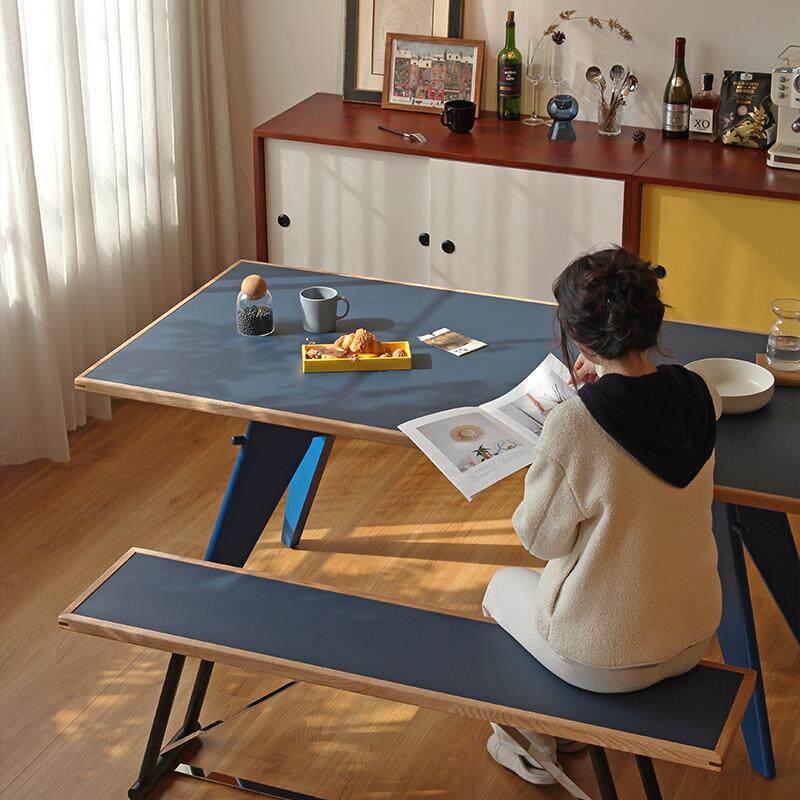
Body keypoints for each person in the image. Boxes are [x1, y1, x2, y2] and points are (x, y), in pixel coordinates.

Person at [484, 247, 723, 787]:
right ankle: (563, 727)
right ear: (651, 322)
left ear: (582, 340)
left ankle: (533, 748)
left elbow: (540, 540)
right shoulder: (699, 392)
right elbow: (667, 397)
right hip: (692, 636)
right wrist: (614, 373)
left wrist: (552, 449)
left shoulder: (573, 425)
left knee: (498, 588)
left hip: (601, 657)